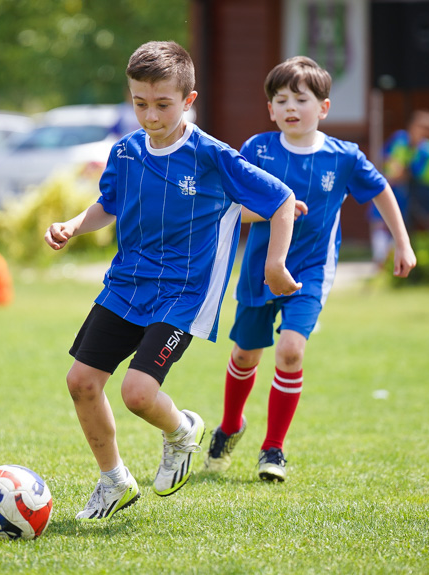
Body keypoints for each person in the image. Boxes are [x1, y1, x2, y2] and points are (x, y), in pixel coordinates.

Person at [44, 41, 301, 520]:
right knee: (80, 381)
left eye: (163, 104)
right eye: (140, 103)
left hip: (184, 295)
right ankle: (114, 481)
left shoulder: (210, 156)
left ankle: (182, 431)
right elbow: (109, 204)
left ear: (189, 100)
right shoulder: (126, 151)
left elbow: (282, 199)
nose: (151, 116)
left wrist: (274, 264)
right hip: (126, 285)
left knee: (137, 393)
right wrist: (74, 225)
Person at [203, 56, 416, 483]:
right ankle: (230, 426)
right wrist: (274, 212)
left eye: (301, 98)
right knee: (246, 353)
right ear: (270, 110)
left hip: (312, 271)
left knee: (291, 351)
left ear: (323, 107)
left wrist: (402, 243)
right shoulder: (257, 150)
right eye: (280, 100)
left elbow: (381, 191)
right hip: (261, 270)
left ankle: (274, 449)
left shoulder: (345, 157)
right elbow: (231, 210)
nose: (290, 107)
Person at [369, 110, 429, 265]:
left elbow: (413, 173)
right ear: (412, 126)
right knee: (380, 224)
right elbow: (384, 158)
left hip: (403, 194)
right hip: (385, 187)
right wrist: (392, 171)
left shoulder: (425, 150)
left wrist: (400, 173)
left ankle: (389, 264)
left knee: (396, 227)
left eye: (427, 130)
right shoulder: (399, 138)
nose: (422, 132)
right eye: (421, 127)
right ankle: (379, 261)